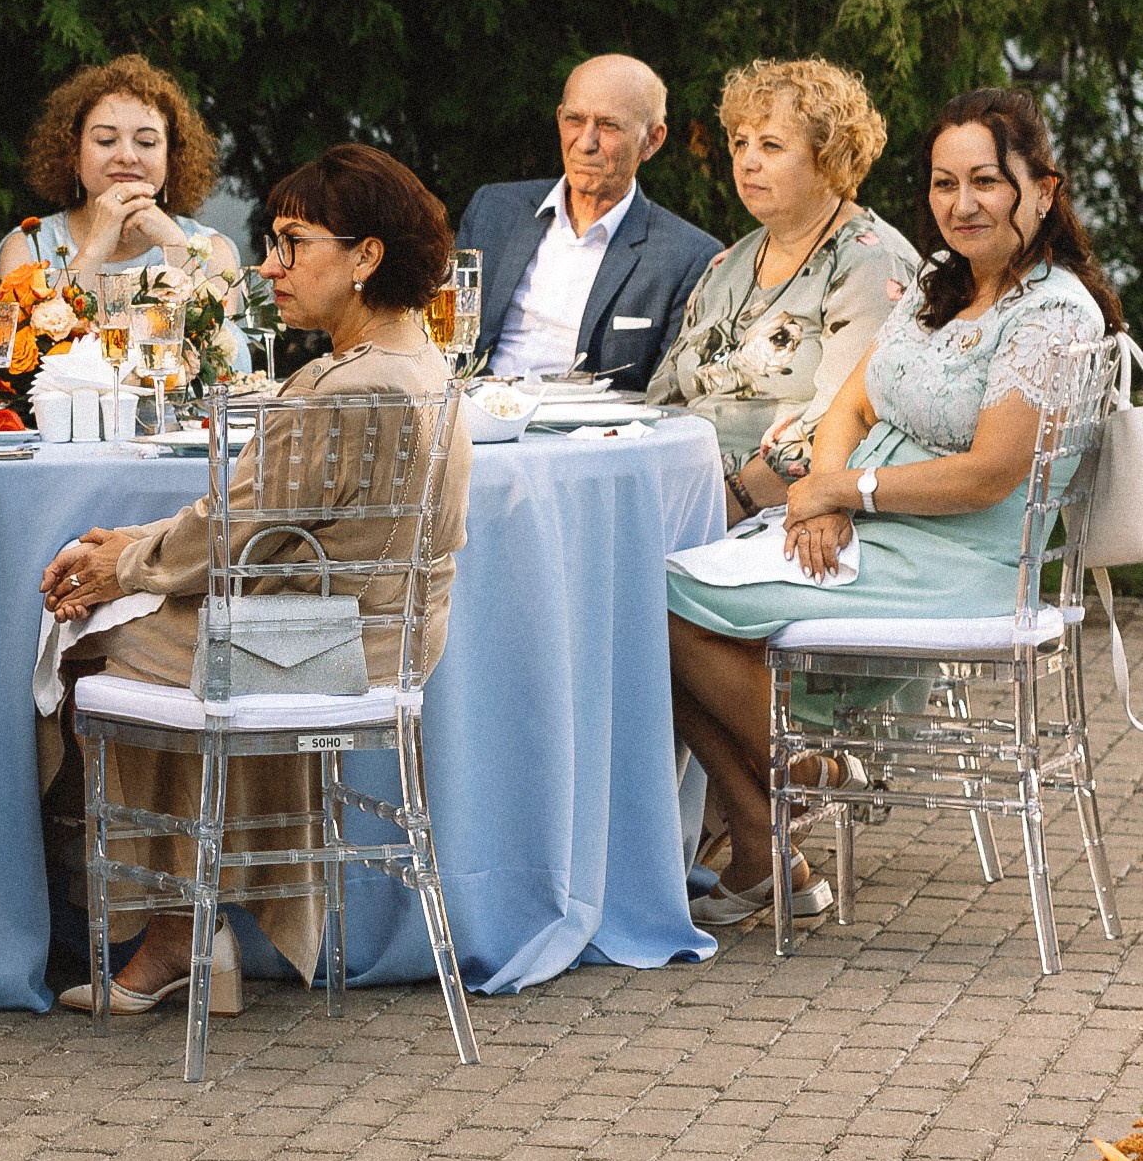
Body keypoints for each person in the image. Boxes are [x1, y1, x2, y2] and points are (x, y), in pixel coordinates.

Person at [665, 86, 1123, 935]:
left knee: (672, 612)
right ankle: (772, 836)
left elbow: (990, 473)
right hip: (872, 528)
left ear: (1044, 190)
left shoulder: (1054, 311)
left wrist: (851, 492)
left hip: (966, 557)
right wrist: (821, 499)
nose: (961, 203)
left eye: (985, 181)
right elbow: (848, 406)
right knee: (661, 595)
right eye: (944, 184)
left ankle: (798, 781)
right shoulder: (939, 288)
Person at [37, 144, 471, 1009]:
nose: (270, 264)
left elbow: (232, 537)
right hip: (365, 636)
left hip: (328, 651)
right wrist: (131, 550)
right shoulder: (414, 363)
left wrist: (116, 568)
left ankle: (169, 935)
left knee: (86, 647)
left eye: (293, 242)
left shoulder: (352, 388)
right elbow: (247, 526)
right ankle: (184, 936)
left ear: (366, 257)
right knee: (130, 622)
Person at [648, 59, 918, 518]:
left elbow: (843, 422)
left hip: (780, 512)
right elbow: (664, 396)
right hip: (677, 491)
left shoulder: (871, 263)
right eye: (740, 143)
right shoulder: (726, 264)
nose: (747, 161)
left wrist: (732, 500)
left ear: (829, 157)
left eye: (771, 145)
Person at [460, 54, 718, 389]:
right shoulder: (494, 210)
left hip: (586, 436)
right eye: (574, 120)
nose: (586, 142)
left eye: (609, 126)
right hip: (476, 422)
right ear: (559, 120)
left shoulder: (687, 258)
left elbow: (667, 396)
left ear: (652, 140)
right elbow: (446, 341)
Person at [0, 58, 245, 335]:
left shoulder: (212, 249)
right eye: (105, 140)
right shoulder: (28, 246)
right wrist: (94, 248)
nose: (127, 156)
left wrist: (176, 247)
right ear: (74, 155)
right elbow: (14, 360)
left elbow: (235, 364)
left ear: (171, 158)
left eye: (146, 142)